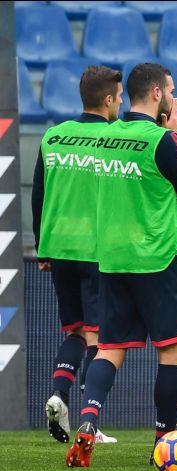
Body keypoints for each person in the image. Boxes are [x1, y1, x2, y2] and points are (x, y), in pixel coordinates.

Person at [65, 62, 177, 468]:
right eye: (172, 90)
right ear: (158, 94)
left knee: (109, 348)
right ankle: (163, 441)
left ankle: (88, 419)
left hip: (112, 258)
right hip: (157, 258)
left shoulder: (106, 137)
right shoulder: (161, 139)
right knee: (173, 350)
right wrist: (176, 134)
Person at [32, 66, 121, 446]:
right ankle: (90, 420)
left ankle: (59, 394)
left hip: (59, 246)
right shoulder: (116, 139)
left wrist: (43, 246)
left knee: (74, 330)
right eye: (118, 96)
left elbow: (39, 195)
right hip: (98, 249)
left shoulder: (53, 136)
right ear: (107, 99)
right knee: (99, 336)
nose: (120, 102)